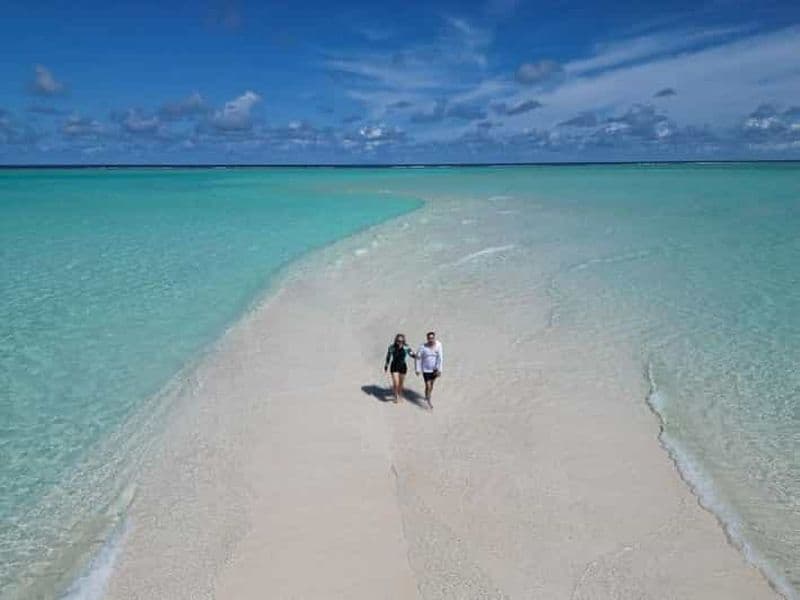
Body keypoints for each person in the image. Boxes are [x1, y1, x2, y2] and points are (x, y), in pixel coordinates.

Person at [384, 333, 415, 403]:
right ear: (395, 340)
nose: (399, 342)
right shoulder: (392, 347)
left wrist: (416, 357)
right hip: (394, 366)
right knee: (396, 383)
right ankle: (396, 396)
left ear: (404, 341)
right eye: (398, 341)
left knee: (401, 384)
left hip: (403, 367)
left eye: (401, 341)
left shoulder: (406, 347)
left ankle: (400, 393)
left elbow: (411, 353)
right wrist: (386, 365)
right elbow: (388, 356)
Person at [415, 331, 443, 409]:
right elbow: (418, 358)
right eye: (429, 338)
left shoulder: (439, 345)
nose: (431, 339)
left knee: (432, 385)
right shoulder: (423, 347)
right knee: (428, 385)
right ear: (427, 339)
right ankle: (428, 399)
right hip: (426, 369)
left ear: (434, 338)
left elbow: (440, 358)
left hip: (435, 370)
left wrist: (440, 370)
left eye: (432, 338)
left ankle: (428, 395)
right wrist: (417, 369)